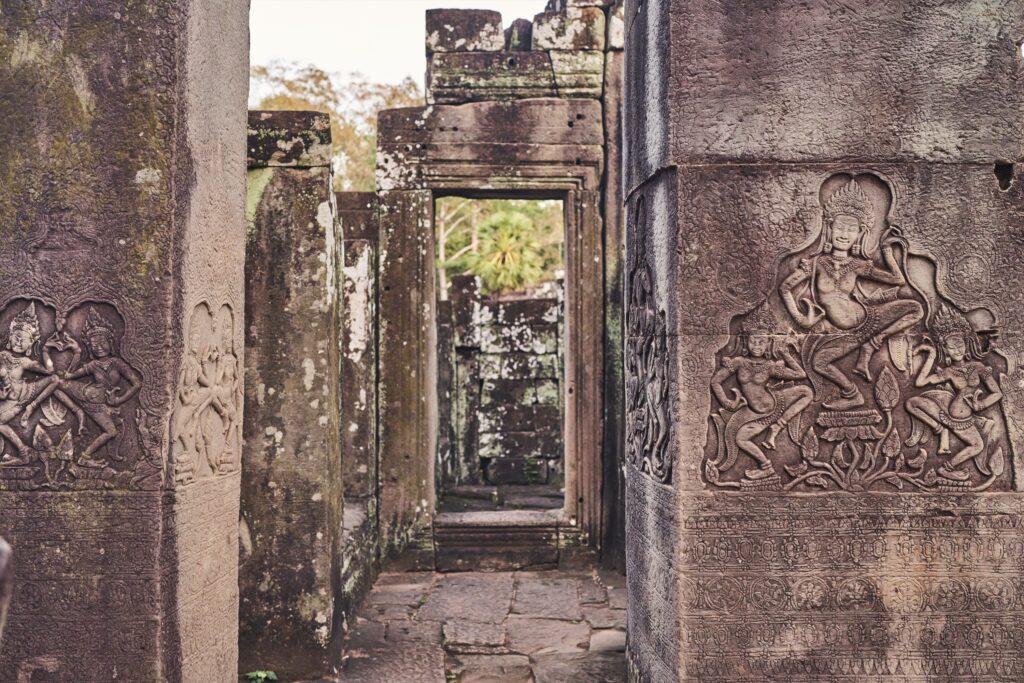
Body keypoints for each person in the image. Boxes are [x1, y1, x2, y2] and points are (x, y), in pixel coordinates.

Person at [779, 180, 923, 410]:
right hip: (848, 335)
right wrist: (800, 318)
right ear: (829, 228)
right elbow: (785, 287)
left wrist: (886, 252)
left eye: (851, 229)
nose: (844, 234)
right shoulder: (815, 263)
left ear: (860, 234)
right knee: (819, 363)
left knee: (915, 309)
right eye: (839, 227)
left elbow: (897, 280)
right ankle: (852, 394)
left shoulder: (859, 265)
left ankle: (872, 344)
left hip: (869, 319)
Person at [710, 307, 813, 481]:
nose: (757, 346)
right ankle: (767, 468)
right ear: (745, 342)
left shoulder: (769, 366)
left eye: (761, 342)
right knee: (740, 439)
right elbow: (715, 382)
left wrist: (785, 353)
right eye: (753, 342)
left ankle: (778, 426)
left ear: (768, 343)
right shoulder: (738, 362)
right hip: (754, 413)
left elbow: (800, 374)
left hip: (775, 405)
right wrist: (727, 403)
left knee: (806, 391)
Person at [905, 306, 1003, 481]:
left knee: (977, 446)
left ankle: (945, 469)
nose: (956, 350)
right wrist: (931, 355)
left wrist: (981, 405)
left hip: (964, 420)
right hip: (945, 414)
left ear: (967, 345)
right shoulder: (949, 372)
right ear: (946, 350)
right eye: (951, 347)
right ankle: (938, 428)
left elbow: (997, 393)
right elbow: (920, 383)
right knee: (911, 403)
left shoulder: (978, 368)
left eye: (959, 344)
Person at [60, 307, 142, 466]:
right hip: (90, 399)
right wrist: (76, 352)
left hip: (102, 402)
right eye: (93, 344)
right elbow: (69, 376)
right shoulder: (92, 365)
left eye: (101, 342)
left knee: (112, 431)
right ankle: (84, 455)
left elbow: (136, 383)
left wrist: (119, 400)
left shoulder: (117, 363)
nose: (98, 347)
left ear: (110, 342)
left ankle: (84, 456)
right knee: (111, 431)